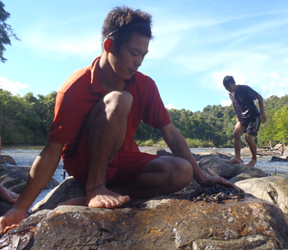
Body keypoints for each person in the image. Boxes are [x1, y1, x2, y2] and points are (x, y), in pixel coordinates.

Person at [0, 6, 243, 234]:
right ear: (109, 45)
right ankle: (95, 189)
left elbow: (170, 132)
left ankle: (102, 195)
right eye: (134, 53)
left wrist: (201, 178)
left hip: (122, 159)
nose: (139, 61)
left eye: (144, 55)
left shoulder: (145, 84)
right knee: (119, 99)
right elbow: (52, 151)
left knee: (182, 170)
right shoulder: (76, 87)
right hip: (85, 161)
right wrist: (20, 208)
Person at [223, 75, 266, 167]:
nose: (228, 89)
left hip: (253, 116)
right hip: (242, 118)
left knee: (248, 138)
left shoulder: (245, 89)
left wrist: (262, 113)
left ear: (234, 83)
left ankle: (254, 159)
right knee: (236, 134)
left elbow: (260, 97)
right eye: (226, 88)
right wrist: (237, 116)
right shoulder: (230, 94)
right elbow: (236, 105)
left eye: (229, 87)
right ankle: (237, 157)